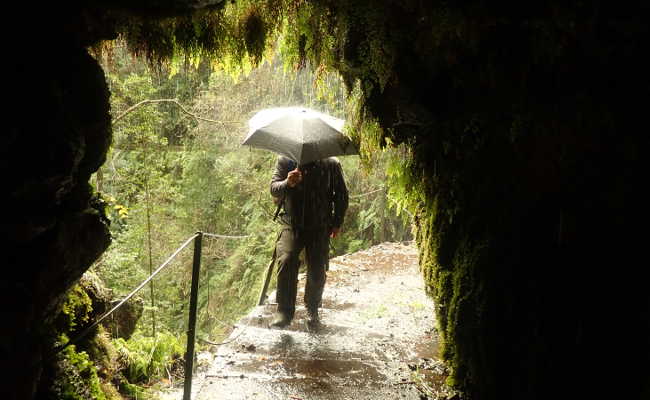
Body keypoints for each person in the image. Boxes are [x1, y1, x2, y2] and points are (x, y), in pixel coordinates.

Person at [269, 155, 349, 329]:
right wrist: (287, 183)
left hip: (319, 225)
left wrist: (337, 222)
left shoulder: (331, 164)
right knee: (287, 259)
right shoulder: (286, 161)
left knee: (317, 268)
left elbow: (341, 194)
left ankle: (312, 308)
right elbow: (274, 189)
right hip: (291, 223)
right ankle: (284, 311)